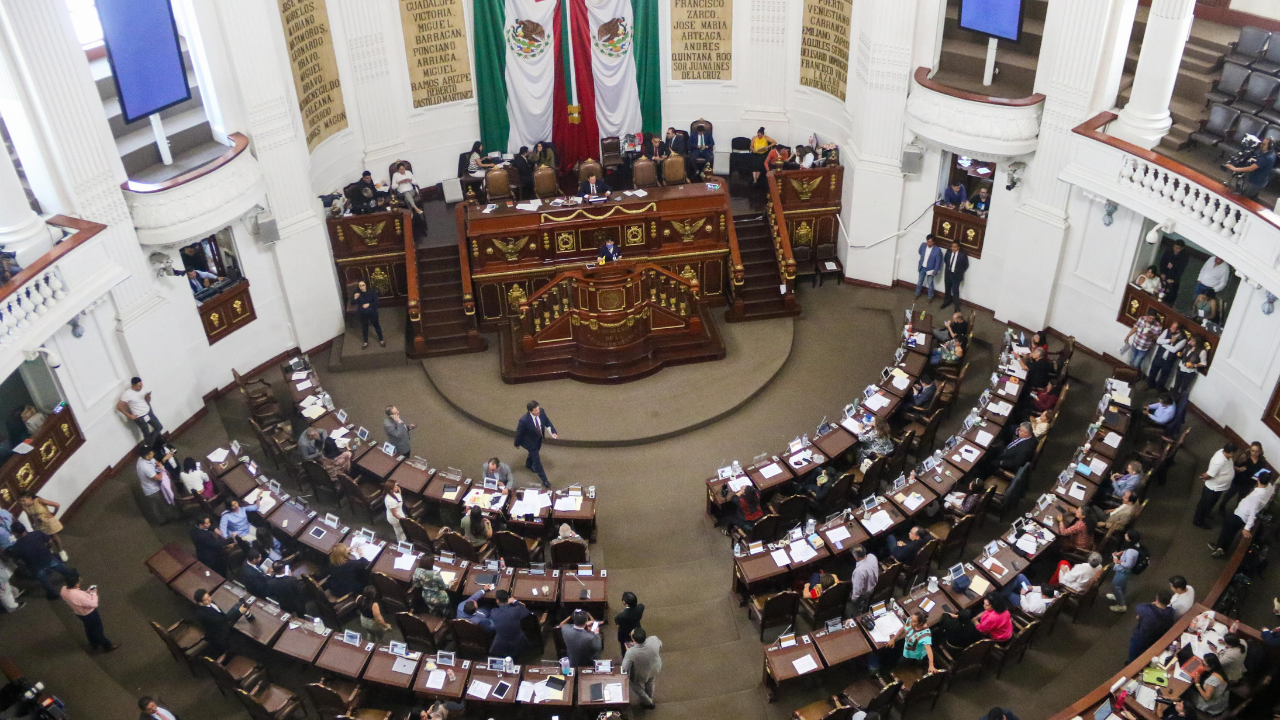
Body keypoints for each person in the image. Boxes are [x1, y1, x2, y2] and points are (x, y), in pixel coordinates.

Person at [1210, 469, 1272, 558]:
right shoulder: (1269, 487)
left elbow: (1252, 512)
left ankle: (1220, 547)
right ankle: (1223, 548)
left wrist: (1247, 528)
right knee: (1232, 532)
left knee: (1226, 530)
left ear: (1258, 479)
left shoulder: (1257, 496)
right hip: (1243, 515)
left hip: (1241, 514)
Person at [60, 572, 119, 653]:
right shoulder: (77, 595)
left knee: (89, 628)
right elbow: (94, 604)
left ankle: (94, 643)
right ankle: (107, 645)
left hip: (79, 613)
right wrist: (94, 594)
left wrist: (88, 593)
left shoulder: (63, 590)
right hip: (90, 614)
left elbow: (80, 599)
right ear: (76, 584)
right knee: (98, 630)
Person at [867, 609, 936, 678]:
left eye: (914, 621)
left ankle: (893, 674)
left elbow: (929, 650)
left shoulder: (925, 635)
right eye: (911, 619)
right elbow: (904, 628)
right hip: (907, 643)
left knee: (898, 659)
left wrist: (931, 665)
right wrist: (893, 639)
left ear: (920, 623)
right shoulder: (911, 621)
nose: (911, 622)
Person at [937, 594, 1012, 649]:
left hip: (999, 637)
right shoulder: (1003, 609)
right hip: (1007, 630)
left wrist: (975, 620)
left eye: (986, 605)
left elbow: (982, 630)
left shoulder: (990, 619)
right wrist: (977, 617)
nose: (984, 606)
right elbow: (986, 611)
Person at [514, 400, 557, 488]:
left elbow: (547, 421)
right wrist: (516, 444)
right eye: (535, 410)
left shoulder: (542, 412)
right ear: (530, 411)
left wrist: (553, 431)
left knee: (533, 453)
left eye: (538, 409)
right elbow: (519, 433)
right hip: (529, 442)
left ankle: (528, 464)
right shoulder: (524, 421)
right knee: (537, 461)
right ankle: (545, 480)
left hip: (538, 439)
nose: (538, 411)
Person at [193, 587, 249, 655]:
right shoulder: (203, 614)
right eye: (206, 599)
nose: (210, 599)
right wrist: (239, 612)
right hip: (219, 634)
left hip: (221, 623)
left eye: (209, 596)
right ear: (200, 603)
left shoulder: (208, 603)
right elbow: (221, 620)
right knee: (241, 644)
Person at [1194, 442, 1236, 528]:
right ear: (1231, 453)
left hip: (1218, 488)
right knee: (1204, 505)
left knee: (1211, 503)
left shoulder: (1224, 453)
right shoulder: (1218, 461)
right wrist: (1203, 477)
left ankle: (1207, 514)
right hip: (1212, 488)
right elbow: (1209, 475)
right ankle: (1198, 521)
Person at [1128, 589, 1175, 661]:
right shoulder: (1171, 612)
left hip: (1141, 637)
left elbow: (1138, 607)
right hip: (1156, 638)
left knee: (1134, 653)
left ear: (1157, 598)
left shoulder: (1147, 610)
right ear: (1169, 602)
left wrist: (1152, 604)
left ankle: (1130, 664)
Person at [621, 627, 662, 709]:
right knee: (650, 681)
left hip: (641, 673)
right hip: (655, 667)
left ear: (634, 640)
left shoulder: (631, 652)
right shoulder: (654, 639)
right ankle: (650, 696)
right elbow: (660, 645)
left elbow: (625, 667)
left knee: (634, 685)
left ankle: (648, 702)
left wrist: (628, 651)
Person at [18, 491, 65, 561]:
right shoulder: (24, 506)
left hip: (47, 522)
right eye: (21, 501)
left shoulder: (39, 500)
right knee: (44, 539)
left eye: (24, 500)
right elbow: (29, 516)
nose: (22, 503)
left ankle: (62, 552)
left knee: (54, 537)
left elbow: (56, 505)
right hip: (38, 524)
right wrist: (32, 524)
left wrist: (53, 514)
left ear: (30, 498)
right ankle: (50, 554)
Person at [1223, 442, 1265, 518]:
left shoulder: (1262, 460)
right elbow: (1233, 466)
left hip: (1249, 483)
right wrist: (1239, 469)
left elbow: (1261, 470)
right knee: (1230, 494)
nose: (1254, 453)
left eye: (1256, 451)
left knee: (1241, 498)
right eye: (1252, 450)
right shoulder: (1244, 457)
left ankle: (1236, 511)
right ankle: (1222, 506)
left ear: (1260, 451)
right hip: (1239, 480)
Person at [136, 446, 174, 525]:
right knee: (161, 504)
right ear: (147, 456)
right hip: (153, 490)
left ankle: (161, 519)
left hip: (149, 487)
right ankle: (167, 519)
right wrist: (162, 469)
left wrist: (159, 464)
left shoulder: (144, 458)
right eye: (151, 453)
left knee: (155, 505)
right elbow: (158, 478)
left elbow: (155, 461)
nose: (153, 453)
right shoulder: (145, 468)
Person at [489, 589, 533, 657]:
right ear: (508, 599)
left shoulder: (493, 612)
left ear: (497, 600)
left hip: (500, 643)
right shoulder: (516, 609)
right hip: (518, 640)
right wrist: (515, 602)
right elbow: (527, 613)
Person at [118, 377, 162, 444]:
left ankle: (151, 443)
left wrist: (148, 397)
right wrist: (129, 415)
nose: (141, 387)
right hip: (140, 417)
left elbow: (147, 401)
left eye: (141, 385)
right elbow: (119, 406)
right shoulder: (127, 394)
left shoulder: (143, 389)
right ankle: (149, 448)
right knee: (146, 433)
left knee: (159, 427)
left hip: (148, 412)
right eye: (139, 386)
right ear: (133, 385)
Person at [1108, 530, 1143, 612]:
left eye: (1127, 535)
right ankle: (1119, 596)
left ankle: (1121, 605)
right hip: (1126, 572)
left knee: (1116, 585)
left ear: (1130, 539)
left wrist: (1118, 561)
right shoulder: (1136, 545)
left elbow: (1128, 565)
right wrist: (1122, 553)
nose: (1125, 535)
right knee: (1122, 585)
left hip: (1124, 571)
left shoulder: (1131, 552)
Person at [1148, 322, 1186, 389]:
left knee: (1164, 377)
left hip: (1169, 361)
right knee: (1153, 372)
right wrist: (1169, 341)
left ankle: (1157, 391)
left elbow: (1174, 350)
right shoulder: (1167, 331)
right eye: (1171, 326)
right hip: (1159, 357)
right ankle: (1149, 386)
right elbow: (1158, 340)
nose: (1171, 329)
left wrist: (1162, 344)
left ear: (1178, 330)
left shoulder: (1183, 339)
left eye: (1173, 328)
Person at [846, 545, 879, 617]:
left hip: (863, 593)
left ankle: (858, 618)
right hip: (873, 586)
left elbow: (857, 589)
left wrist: (853, 599)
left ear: (855, 557)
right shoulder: (872, 556)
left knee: (858, 609)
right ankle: (865, 610)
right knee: (866, 603)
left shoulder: (859, 571)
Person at [352, 280, 384, 349]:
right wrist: (355, 298)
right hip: (363, 313)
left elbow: (376, 302)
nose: (361, 287)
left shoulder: (372, 291)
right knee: (364, 327)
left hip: (372, 312)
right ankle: (365, 342)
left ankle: (381, 340)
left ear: (366, 285)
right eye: (360, 286)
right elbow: (353, 303)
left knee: (376, 325)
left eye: (363, 285)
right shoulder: (357, 293)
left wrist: (369, 304)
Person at [1158, 239, 1191, 304]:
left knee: (1171, 294)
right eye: (1174, 247)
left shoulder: (1185, 256)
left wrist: (1174, 279)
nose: (1175, 249)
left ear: (1182, 248)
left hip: (1174, 277)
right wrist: (1163, 272)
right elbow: (1162, 262)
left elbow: (1181, 269)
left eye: (1178, 248)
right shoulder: (1169, 251)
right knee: (1161, 289)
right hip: (1165, 273)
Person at [615, 591, 645, 655]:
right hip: (636, 630)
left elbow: (616, 621)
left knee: (625, 652)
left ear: (624, 602)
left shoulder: (621, 616)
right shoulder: (640, 608)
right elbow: (640, 605)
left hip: (624, 634)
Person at [916, 234, 943, 300]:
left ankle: (930, 297)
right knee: (919, 282)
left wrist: (935, 271)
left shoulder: (937, 250)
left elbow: (938, 262)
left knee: (930, 284)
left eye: (930, 242)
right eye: (928, 241)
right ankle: (917, 293)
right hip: (922, 267)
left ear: (933, 242)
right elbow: (920, 252)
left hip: (930, 270)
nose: (929, 243)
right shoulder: (923, 245)